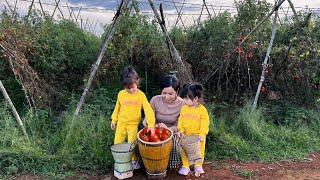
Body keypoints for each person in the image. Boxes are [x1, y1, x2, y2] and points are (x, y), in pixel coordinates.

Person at [111, 66, 155, 170]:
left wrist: (151, 124)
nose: (130, 90)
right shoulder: (121, 94)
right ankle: (119, 161)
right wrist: (114, 120)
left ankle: (134, 161)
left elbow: (148, 110)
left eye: (133, 87)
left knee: (132, 144)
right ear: (123, 86)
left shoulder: (141, 95)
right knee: (118, 142)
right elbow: (117, 107)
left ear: (137, 82)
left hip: (133, 124)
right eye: (127, 88)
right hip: (121, 123)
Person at [147, 74, 184, 169]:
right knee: (145, 144)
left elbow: (180, 125)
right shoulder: (155, 100)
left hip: (173, 132)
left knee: (174, 146)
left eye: (170, 94)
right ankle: (149, 164)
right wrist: (151, 125)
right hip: (155, 130)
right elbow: (148, 118)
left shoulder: (182, 104)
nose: (167, 97)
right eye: (164, 93)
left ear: (177, 91)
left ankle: (170, 166)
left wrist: (167, 129)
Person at [177, 83, 210, 176]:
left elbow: (205, 122)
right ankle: (185, 165)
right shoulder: (184, 108)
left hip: (198, 136)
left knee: (198, 151)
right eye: (183, 98)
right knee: (184, 150)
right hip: (186, 135)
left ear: (195, 99)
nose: (184, 100)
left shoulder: (202, 110)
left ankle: (198, 165)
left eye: (187, 99)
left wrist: (202, 133)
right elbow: (181, 120)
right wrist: (181, 130)